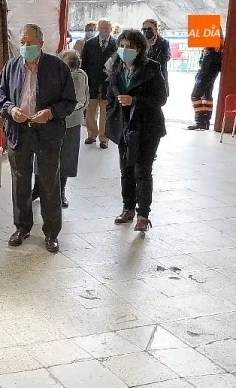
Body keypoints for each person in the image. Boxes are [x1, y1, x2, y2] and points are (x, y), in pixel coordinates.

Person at [0, 23, 77, 253]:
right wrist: (10, 109)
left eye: (29, 42)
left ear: (41, 43)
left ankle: (51, 232)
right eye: (22, 42)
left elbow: (69, 101)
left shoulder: (57, 67)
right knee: (20, 181)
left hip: (47, 132)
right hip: (18, 131)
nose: (25, 46)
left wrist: (50, 113)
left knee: (49, 181)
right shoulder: (11, 66)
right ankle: (22, 227)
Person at [105, 29, 167, 231]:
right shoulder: (114, 67)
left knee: (142, 170)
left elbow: (161, 98)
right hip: (123, 126)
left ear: (139, 49)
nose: (124, 50)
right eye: (121, 46)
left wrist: (134, 101)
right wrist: (111, 117)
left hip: (147, 126)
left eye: (129, 47)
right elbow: (110, 97)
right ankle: (128, 208)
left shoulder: (152, 67)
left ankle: (143, 215)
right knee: (126, 169)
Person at [31, 49, 89, 209]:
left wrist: (63, 111)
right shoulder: (50, 72)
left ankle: (61, 192)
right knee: (42, 154)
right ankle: (37, 189)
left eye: (70, 69)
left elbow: (82, 101)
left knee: (67, 157)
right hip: (50, 121)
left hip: (71, 123)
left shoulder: (80, 76)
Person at [81, 18, 118, 149]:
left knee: (105, 112)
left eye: (106, 28)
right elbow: (83, 63)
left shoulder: (116, 44)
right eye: (101, 28)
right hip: (92, 82)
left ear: (111, 29)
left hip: (108, 83)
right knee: (90, 111)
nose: (104, 30)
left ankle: (104, 138)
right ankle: (91, 135)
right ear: (98, 28)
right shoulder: (89, 44)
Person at [187, 35, 223, 131]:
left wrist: (200, 76)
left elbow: (205, 63)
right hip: (211, 73)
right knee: (207, 96)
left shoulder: (211, 46)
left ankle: (200, 122)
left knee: (195, 96)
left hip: (205, 74)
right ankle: (206, 121)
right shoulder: (218, 45)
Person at [143, 19, 171, 97]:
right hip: (144, 78)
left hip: (159, 77)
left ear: (156, 29)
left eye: (149, 29)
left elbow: (164, 59)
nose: (146, 31)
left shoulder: (163, 43)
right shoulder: (141, 42)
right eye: (144, 29)